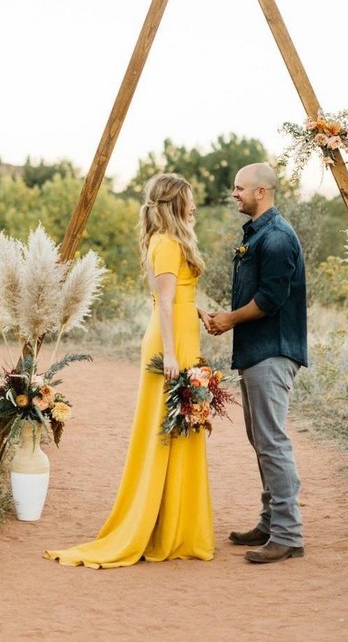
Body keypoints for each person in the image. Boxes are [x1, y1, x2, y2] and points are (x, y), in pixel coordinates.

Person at [44, 173, 214, 567]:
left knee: (183, 424)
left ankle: (175, 522)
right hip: (169, 345)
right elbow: (165, 303)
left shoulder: (170, 241)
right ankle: (161, 526)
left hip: (181, 334)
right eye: (189, 200)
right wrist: (171, 355)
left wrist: (197, 309)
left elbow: (175, 298)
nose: (194, 207)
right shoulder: (168, 243)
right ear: (175, 205)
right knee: (167, 426)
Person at [208, 162, 307, 564]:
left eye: (239, 188)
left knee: (272, 442)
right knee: (261, 441)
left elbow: (270, 300)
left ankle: (288, 534)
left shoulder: (278, 238)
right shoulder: (258, 233)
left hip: (273, 350)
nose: (234, 194)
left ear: (261, 192)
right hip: (255, 351)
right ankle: (270, 523)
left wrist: (229, 319)